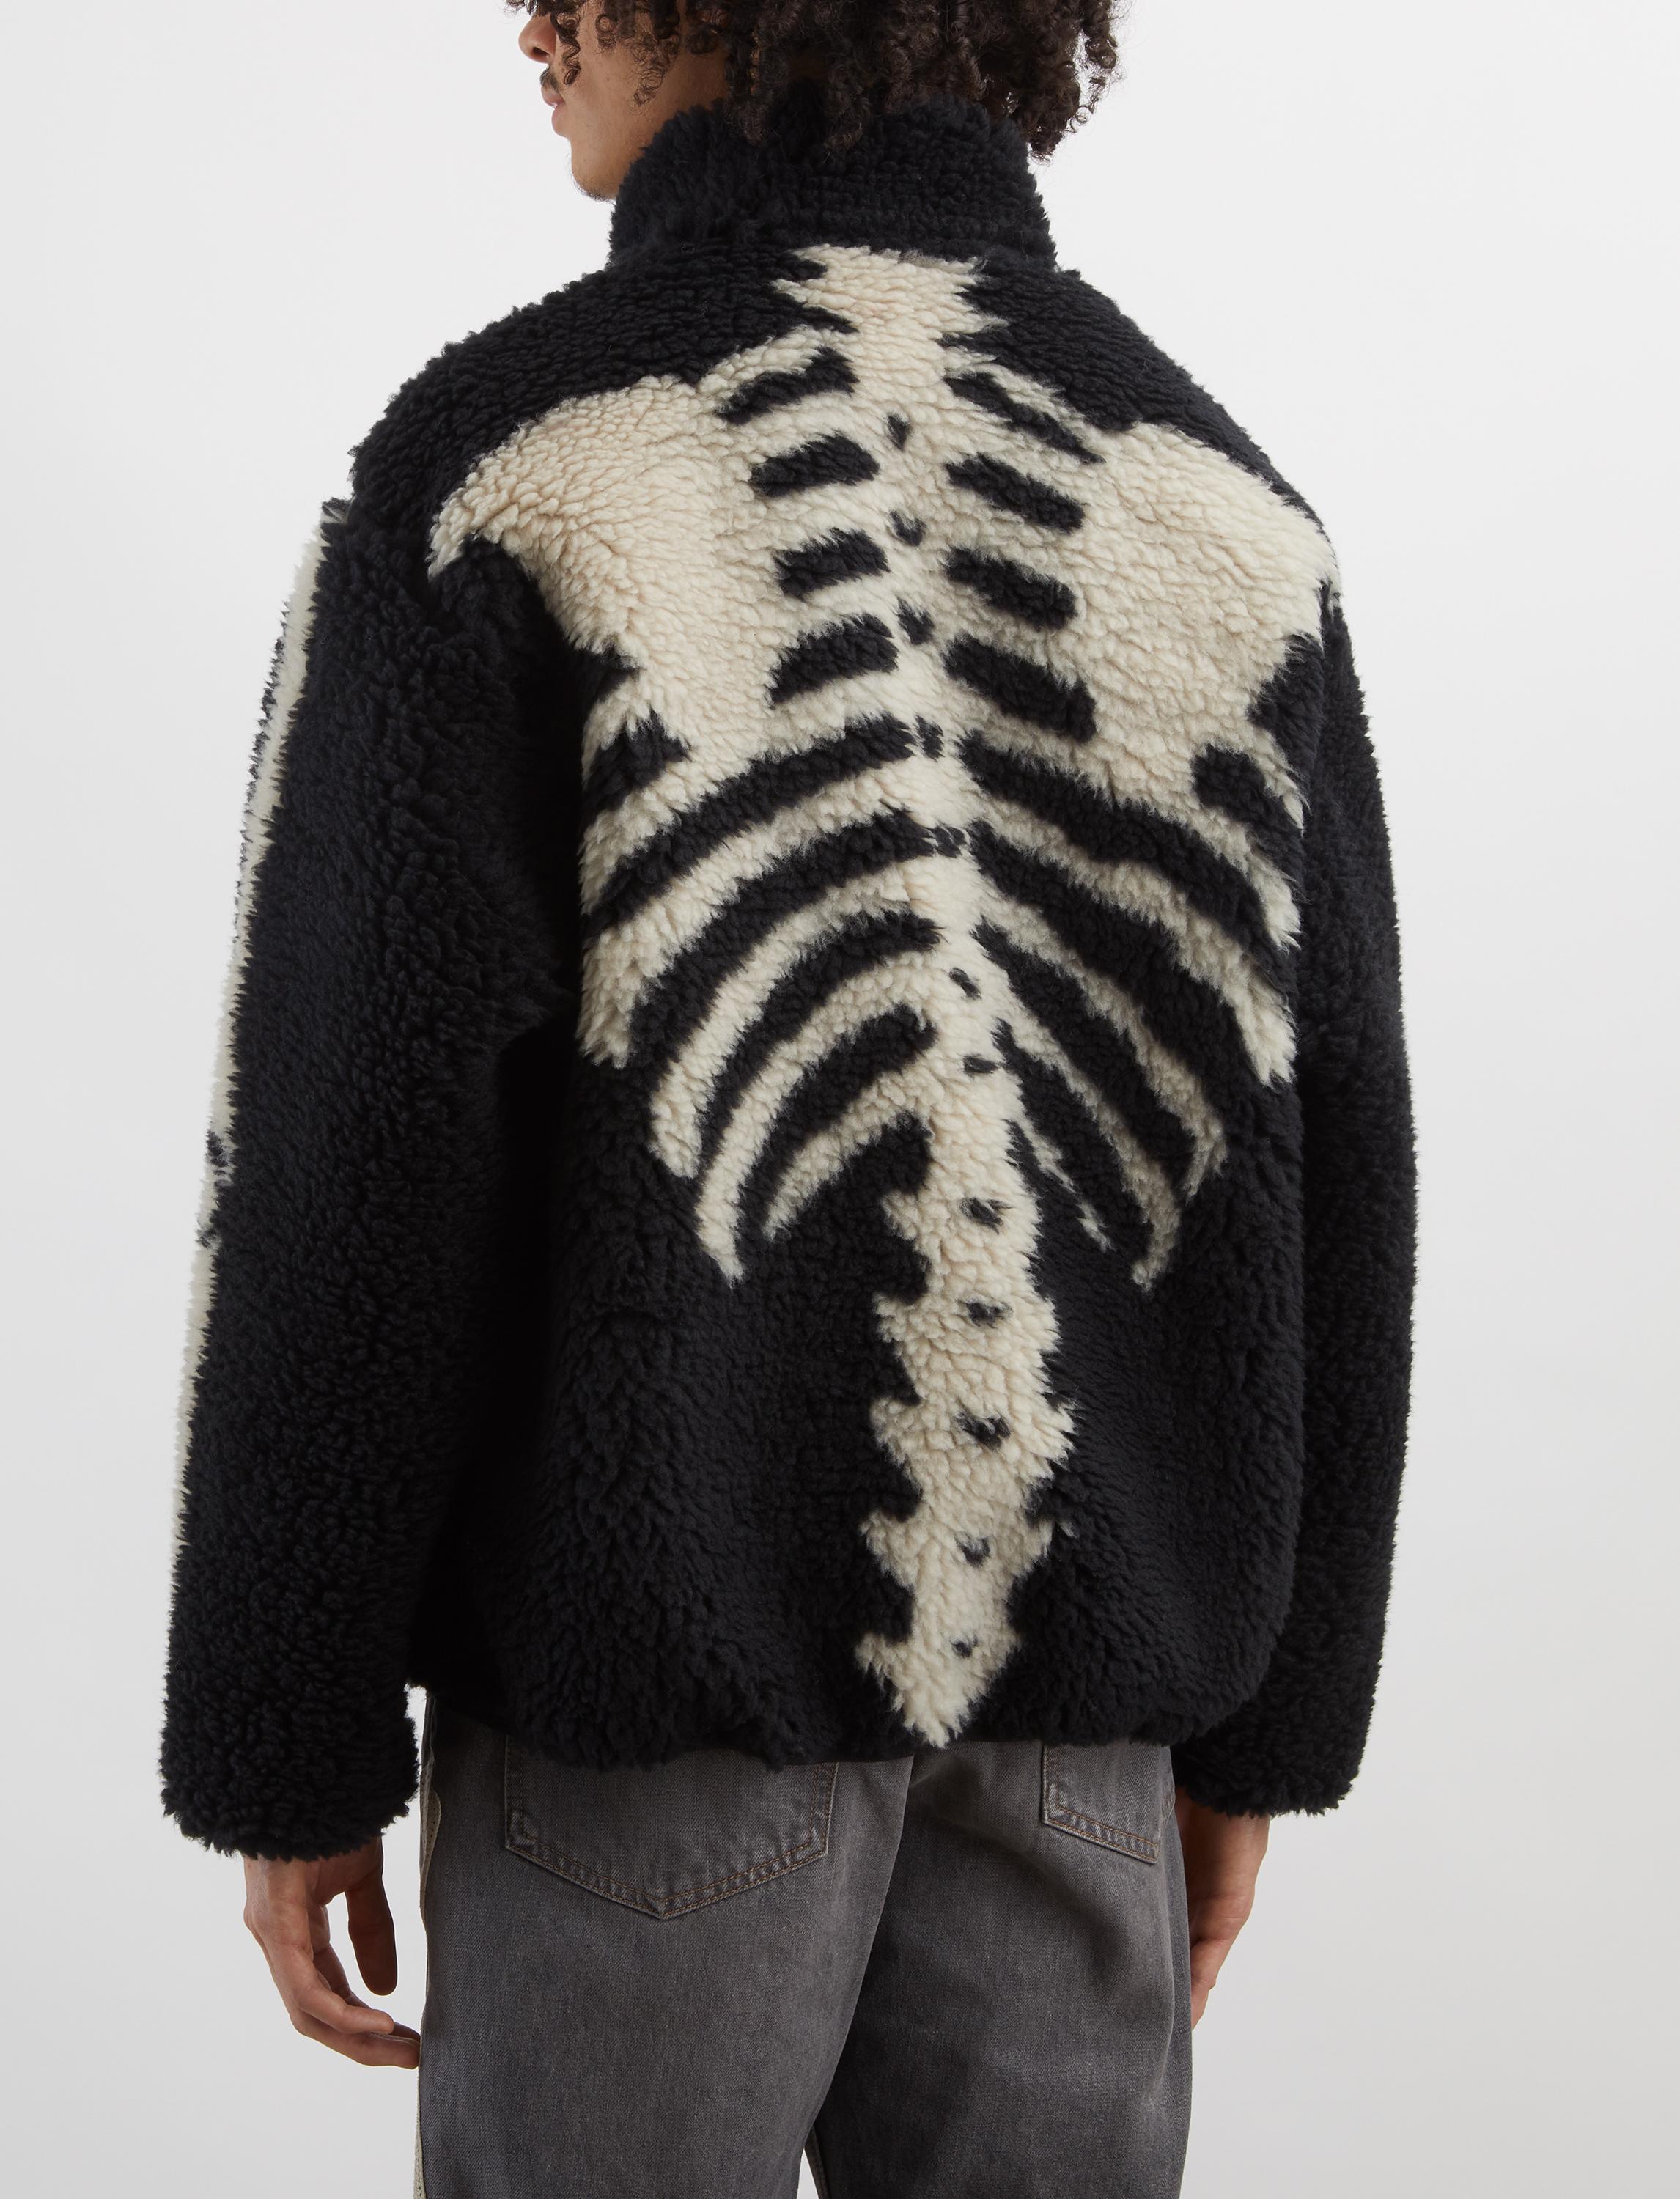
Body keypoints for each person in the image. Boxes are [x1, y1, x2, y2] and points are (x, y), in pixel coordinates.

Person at [161, 6, 1416, 2194]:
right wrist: (1274, 1722)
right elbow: (1349, 1165)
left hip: (651, 1716)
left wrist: (289, 1727)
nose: (531, 23)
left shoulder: (507, 461)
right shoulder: (1227, 501)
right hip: (1083, 1740)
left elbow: (351, 1164)